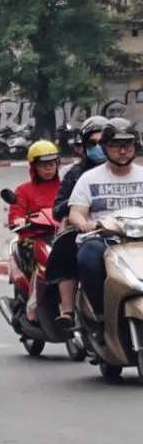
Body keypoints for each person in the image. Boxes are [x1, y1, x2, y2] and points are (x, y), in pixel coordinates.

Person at [68, 117, 143, 317]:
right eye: (116, 145)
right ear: (105, 147)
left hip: (139, 240)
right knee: (88, 257)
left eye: (127, 144)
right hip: (104, 239)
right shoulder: (89, 178)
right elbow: (76, 212)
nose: (123, 150)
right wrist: (84, 224)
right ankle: (101, 313)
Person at [44, 117, 108, 329]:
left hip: (122, 231)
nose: (99, 148)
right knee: (66, 250)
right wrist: (76, 206)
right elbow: (58, 207)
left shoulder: (130, 173)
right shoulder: (76, 175)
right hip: (84, 230)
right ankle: (69, 310)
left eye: (104, 142)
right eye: (92, 143)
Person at [7, 141, 69, 324]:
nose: (49, 169)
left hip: (63, 235)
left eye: (52, 164)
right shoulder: (23, 190)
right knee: (43, 261)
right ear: (34, 167)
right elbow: (15, 214)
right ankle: (32, 305)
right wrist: (19, 220)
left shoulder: (65, 186)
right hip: (34, 239)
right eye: (43, 165)